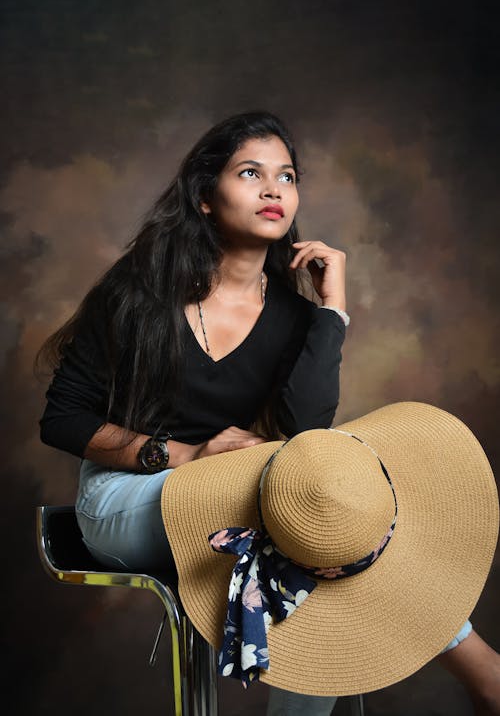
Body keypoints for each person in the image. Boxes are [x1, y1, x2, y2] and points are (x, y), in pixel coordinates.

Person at [37, 110, 500, 715]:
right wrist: (187, 455)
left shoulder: (293, 316)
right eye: (250, 172)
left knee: (322, 511)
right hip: (125, 498)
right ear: (206, 197)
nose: (272, 189)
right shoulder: (138, 291)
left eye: (286, 176)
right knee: (302, 506)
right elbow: (62, 420)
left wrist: (331, 312)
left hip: (244, 506)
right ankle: (481, 667)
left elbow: (307, 429)